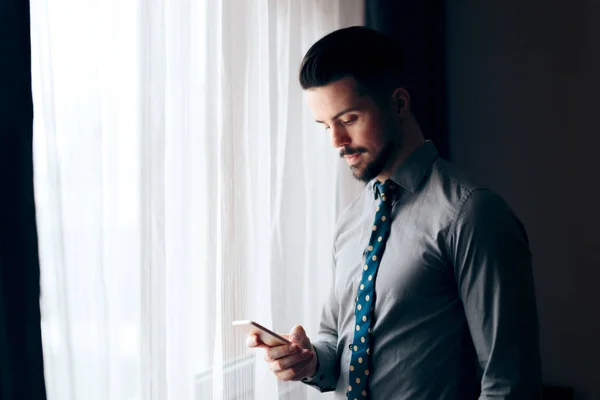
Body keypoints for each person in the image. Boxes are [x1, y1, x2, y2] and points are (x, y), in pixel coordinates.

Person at [246, 26, 542, 399]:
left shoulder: (472, 214)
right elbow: (335, 339)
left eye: (349, 119)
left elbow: (509, 382)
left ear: (399, 104)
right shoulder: (351, 220)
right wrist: (308, 361)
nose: (337, 141)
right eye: (326, 126)